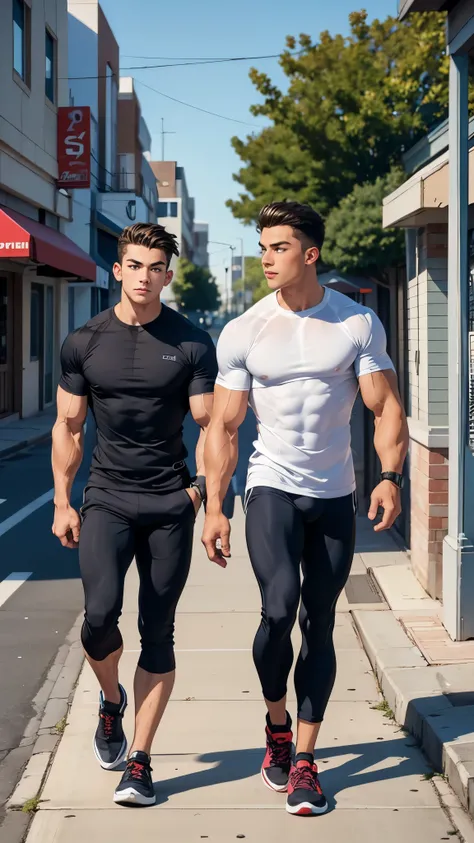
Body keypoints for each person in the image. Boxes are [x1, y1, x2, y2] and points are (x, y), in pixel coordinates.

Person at [201, 201, 409, 817]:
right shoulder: (245, 330)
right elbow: (223, 426)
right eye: (262, 246)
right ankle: (277, 725)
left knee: (320, 619)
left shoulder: (357, 324)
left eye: (279, 247)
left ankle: (307, 762)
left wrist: (391, 477)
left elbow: (386, 407)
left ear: (310, 254)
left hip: (335, 493)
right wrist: (215, 506)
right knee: (277, 606)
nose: (265, 258)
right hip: (269, 485)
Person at [52, 223, 217, 806]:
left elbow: (211, 427)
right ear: (116, 270)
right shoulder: (84, 341)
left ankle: (141, 762)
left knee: (158, 632)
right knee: (99, 618)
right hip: (107, 497)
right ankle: (111, 701)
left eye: (155, 267)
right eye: (134, 265)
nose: (144, 276)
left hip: (170, 503)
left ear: (168, 275)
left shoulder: (192, 343)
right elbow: (69, 426)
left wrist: (204, 497)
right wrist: (61, 500)